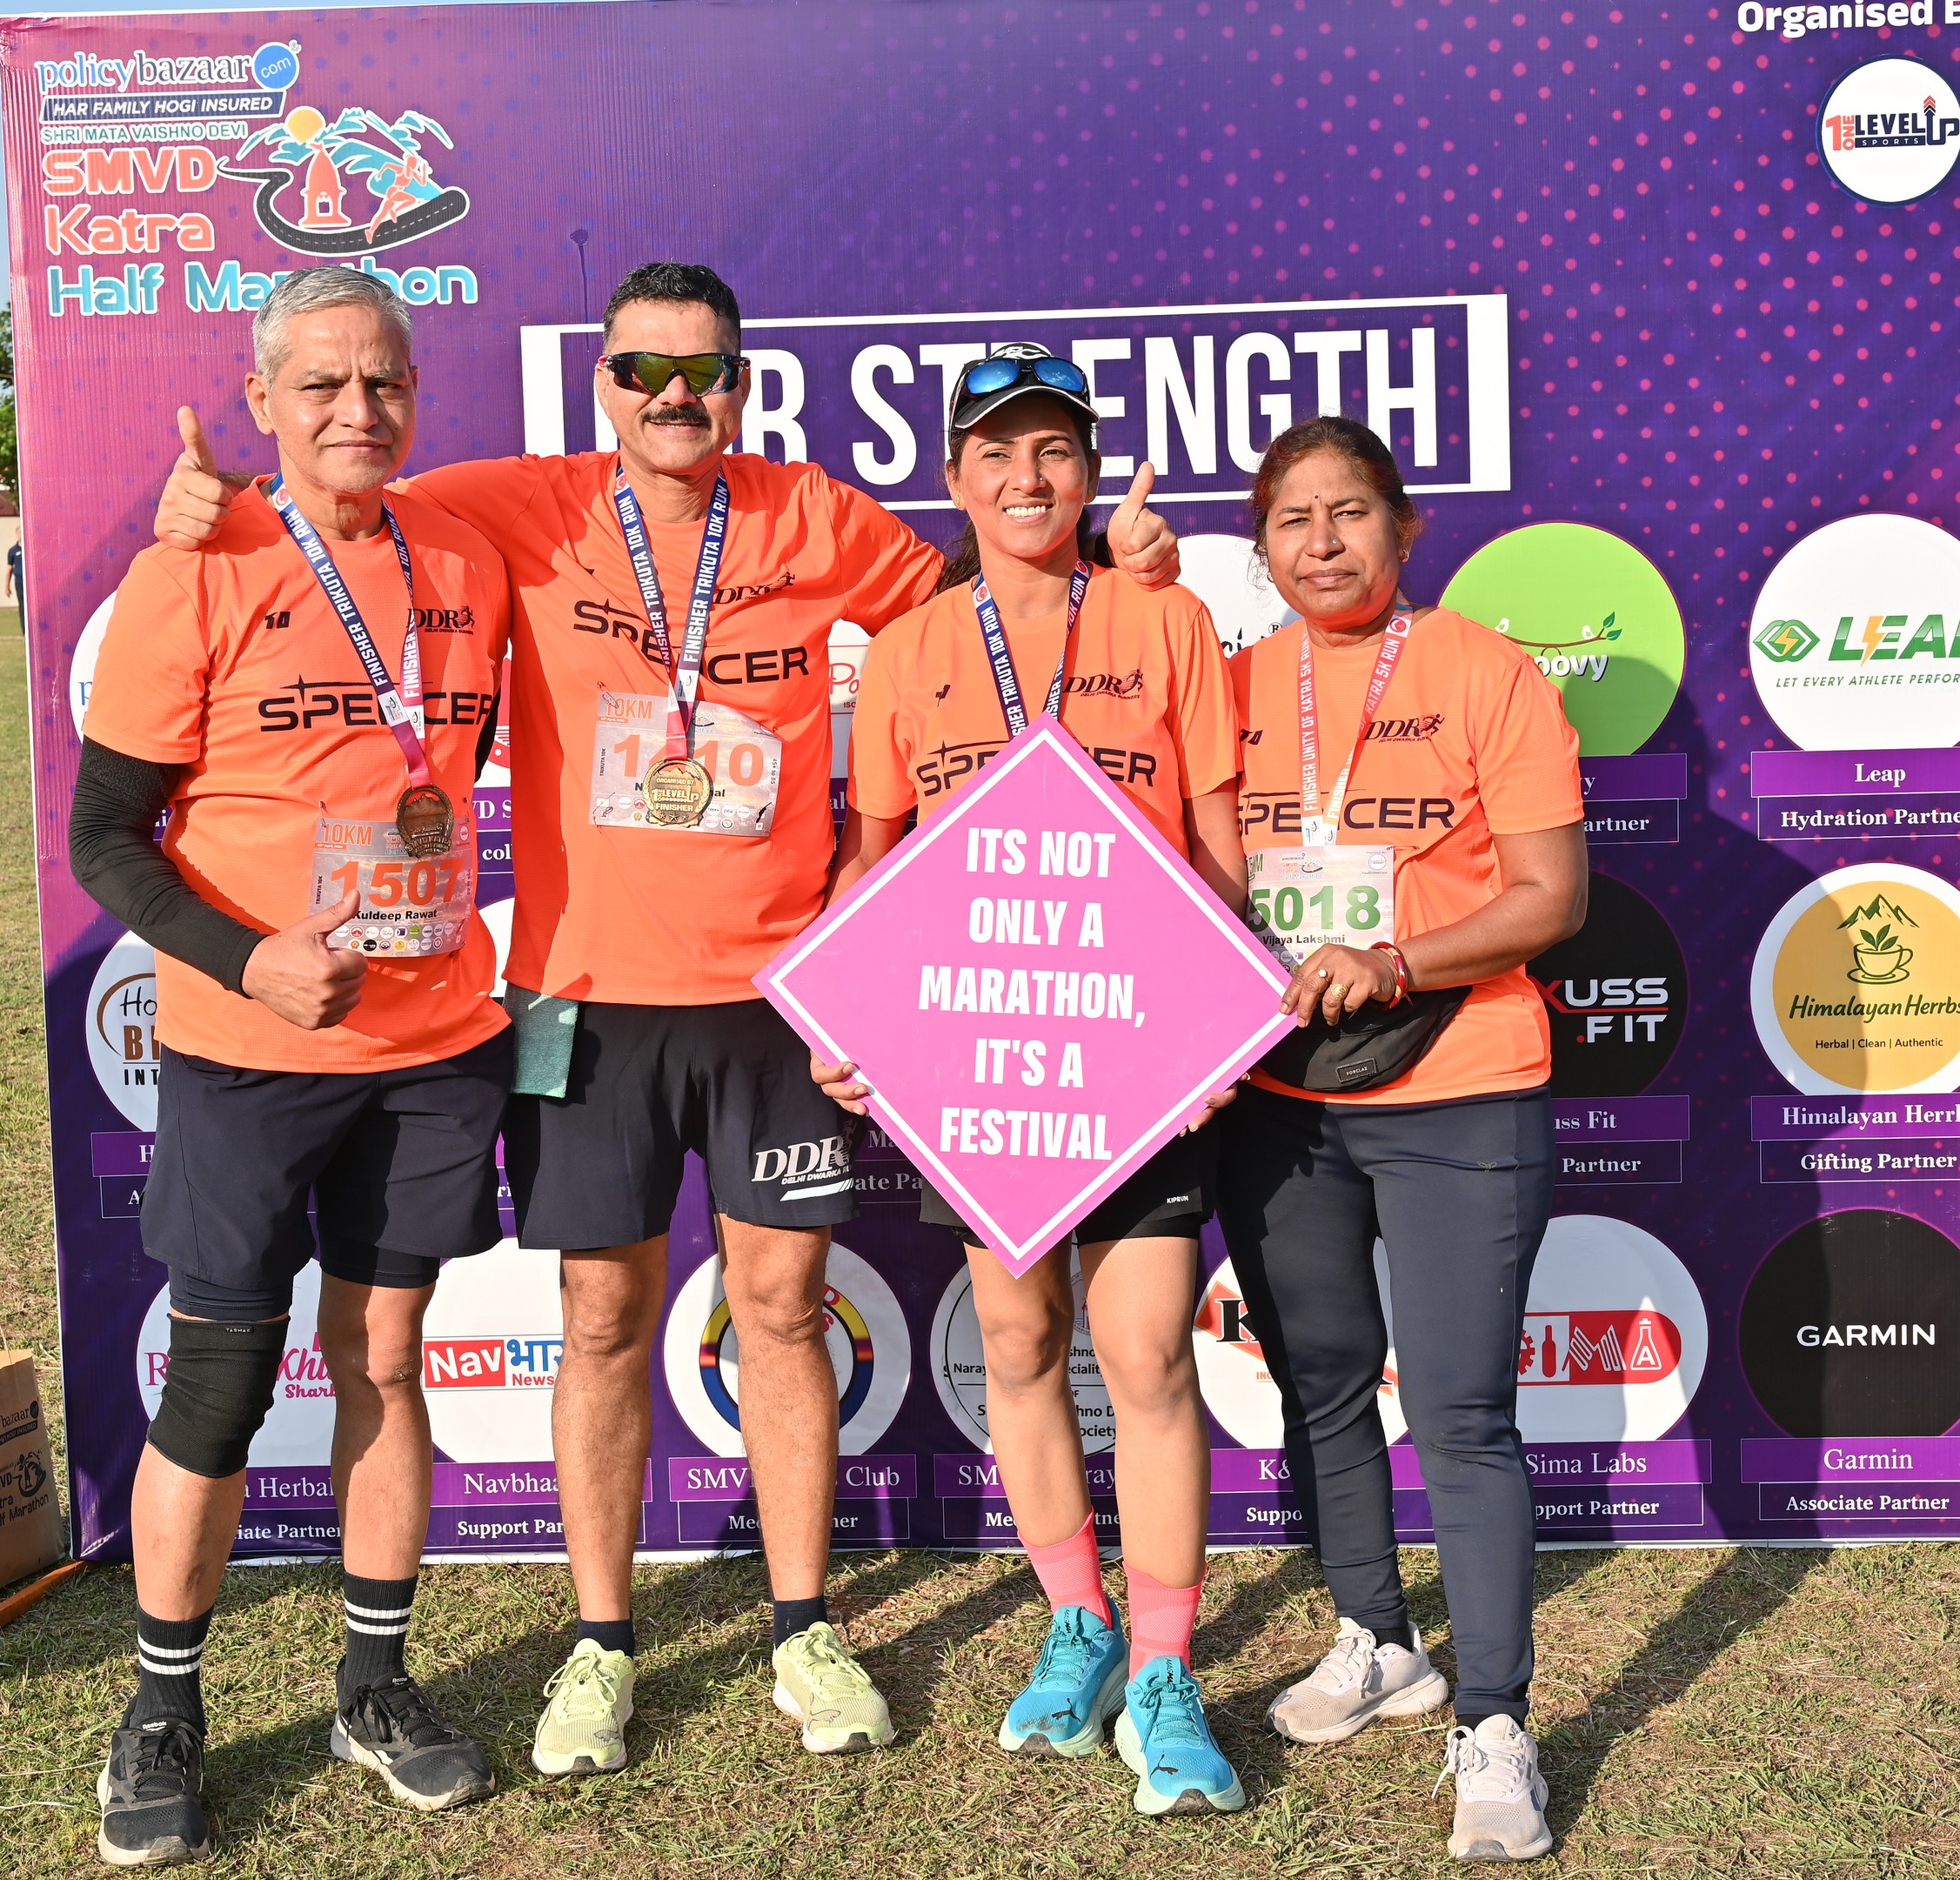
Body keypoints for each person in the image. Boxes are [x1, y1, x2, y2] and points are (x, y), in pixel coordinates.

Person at [145, 262, 1187, 1780]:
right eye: (643, 370)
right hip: (584, 994)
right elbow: (338, 507)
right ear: (604, 385)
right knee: (602, 1319)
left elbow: (989, 610)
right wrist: (212, 509)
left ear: (742, 386)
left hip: (777, 998)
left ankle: (802, 1624)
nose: (674, 395)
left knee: (782, 1307)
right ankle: (599, 1639)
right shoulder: (514, 506)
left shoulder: (813, 513)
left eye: (704, 370)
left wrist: (1116, 559)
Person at [70, 266, 511, 1867]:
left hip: (433, 1042)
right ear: (261, 402)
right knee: (220, 1377)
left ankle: (372, 1685)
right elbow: (105, 838)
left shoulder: (464, 553)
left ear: (416, 393)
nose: (355, 410)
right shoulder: (191, 567)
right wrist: (249, 955)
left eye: (382, 380)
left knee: (386, 1360)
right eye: (319, 384)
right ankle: (161, 1707)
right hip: (250, 1046)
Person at [819, 345, 1249, 1816]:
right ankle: (1076, 1620)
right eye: (997, 451)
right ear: (954, 477)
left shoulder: (1164, 617)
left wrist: (1215, 1023)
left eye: (1055, 448)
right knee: (1015, 1343)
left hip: (1139, 1052)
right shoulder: (910, 647)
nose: (1028, 475)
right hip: (978, 1058)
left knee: (1147, 1353)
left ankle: (1167, 1665)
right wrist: (840, 1009)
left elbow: (1219, 844)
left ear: (1087, 471)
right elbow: (874, 857)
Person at [1214, 417, 1588, 1864]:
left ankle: (1493, 1719)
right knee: (1317, 1381)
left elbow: (1550, 895)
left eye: (1350, 510)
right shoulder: (1232, 685)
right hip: (1282, 1101)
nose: (1322, 540)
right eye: (1292, 518)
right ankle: (1375, 1635)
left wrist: (1400, 958)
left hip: (1461, 1084)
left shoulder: (1485, 671)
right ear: (1263, 545)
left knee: (1460, 1411)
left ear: (1403, 526)